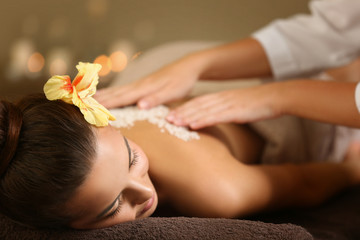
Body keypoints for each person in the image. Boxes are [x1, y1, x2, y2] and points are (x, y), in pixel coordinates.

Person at [1, 62, 360, 230]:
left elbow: (307, 182)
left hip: (287, 114)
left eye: (132, 157)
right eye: (113, 207)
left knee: (339, 77)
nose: (144, 191)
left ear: (104, 121)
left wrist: (351, 167)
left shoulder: (219, 191)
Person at [95, 0, 360, 130]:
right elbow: (333, 31)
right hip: (158, 63)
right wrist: (197, 64)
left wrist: (278, 96)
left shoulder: (221, 189)